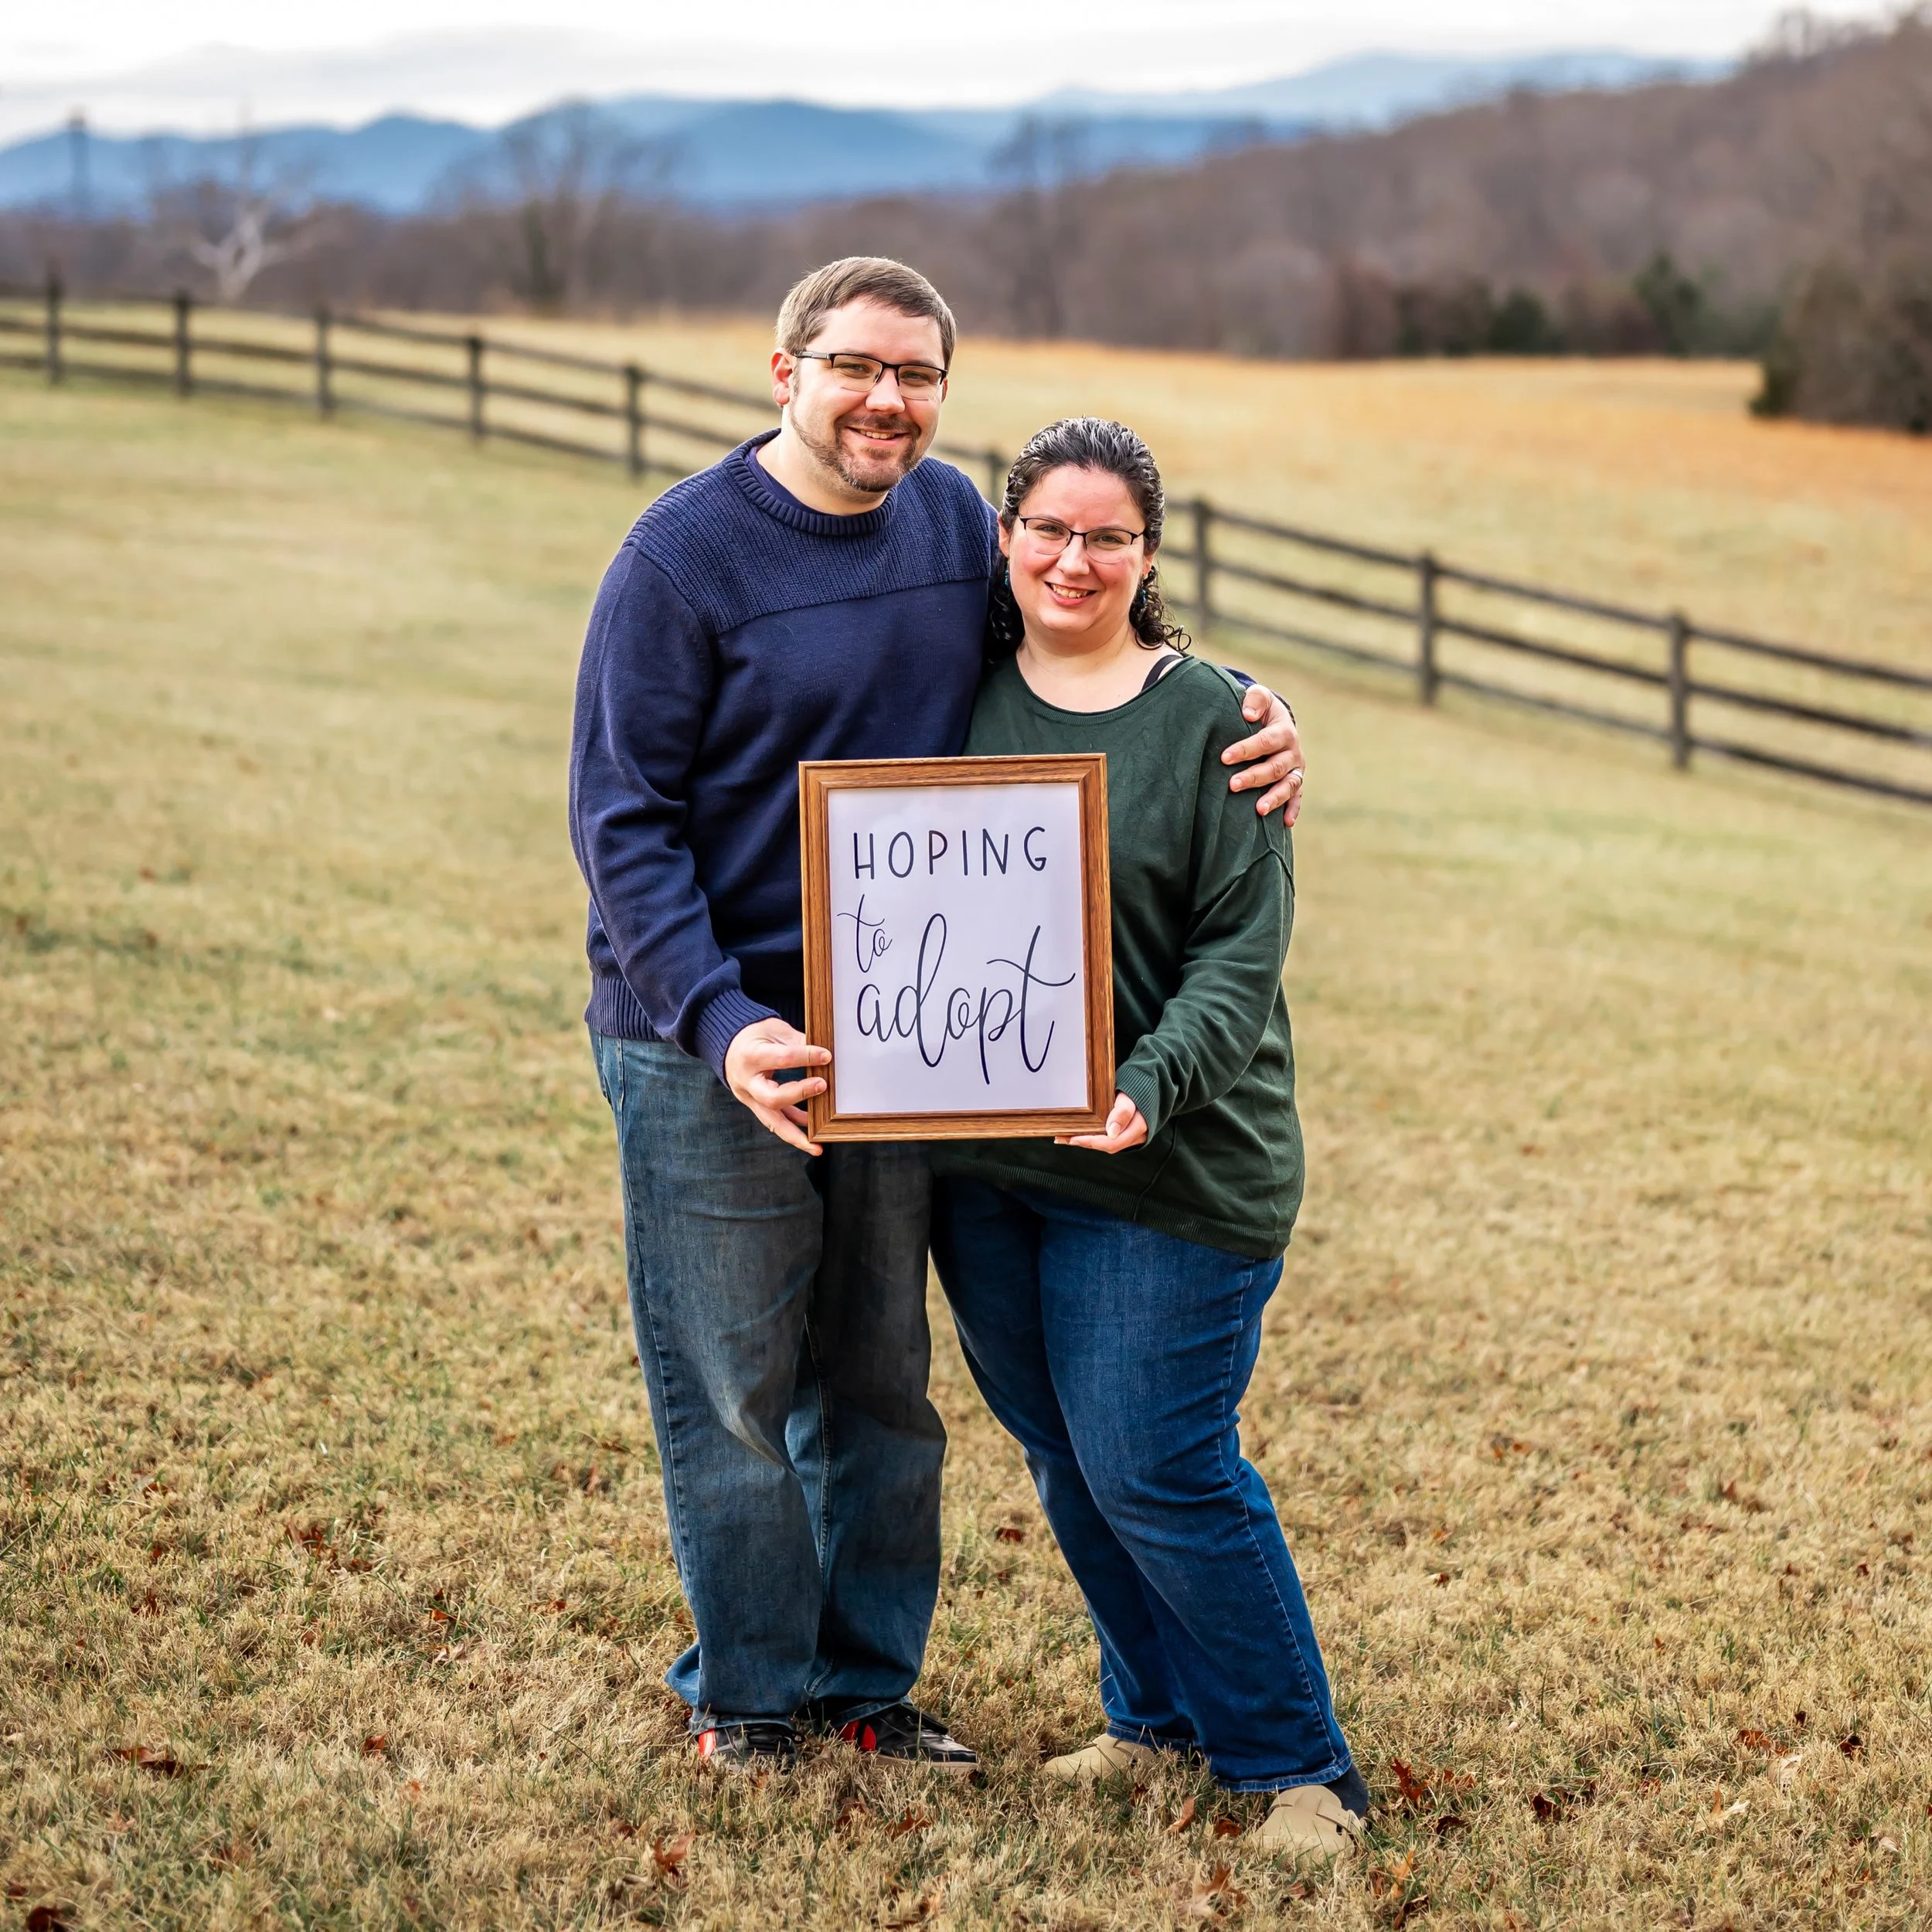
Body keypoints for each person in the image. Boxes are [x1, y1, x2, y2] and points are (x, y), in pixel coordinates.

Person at [568, 258, 1308, 1774]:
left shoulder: (952, 523)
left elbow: (1078, 621)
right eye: (852, 366)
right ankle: (752, 1702)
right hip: (704, 1035)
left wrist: (1247, 704)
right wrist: (715, 1020)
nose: (883, 400)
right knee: (733, 1384)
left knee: (879, 1383)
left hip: (900, 1031)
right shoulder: (678, 560)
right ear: (784, 370)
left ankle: (859, 1685)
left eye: (915, 375)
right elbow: (620, 819)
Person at [929, 417, 1369, 1858]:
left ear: (1148, 554)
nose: (1074, 557)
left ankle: (1294, 1768)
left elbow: (1244, 953)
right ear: (1006, 539)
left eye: (1107, 535)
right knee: (1065, 1454)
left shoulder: (1219, 721)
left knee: (1158, 1462)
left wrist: (1152, 1083)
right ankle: (1152, 1719)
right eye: (1048, 529)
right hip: (992, 1169)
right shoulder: (956, 693)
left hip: (1172, 1160)